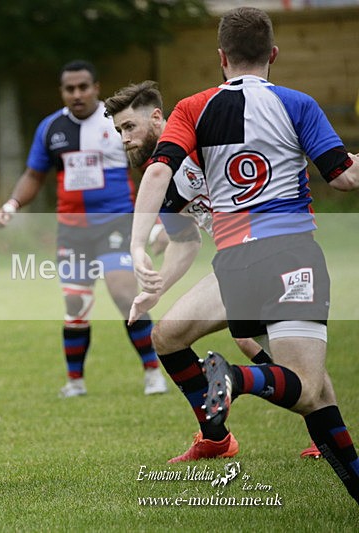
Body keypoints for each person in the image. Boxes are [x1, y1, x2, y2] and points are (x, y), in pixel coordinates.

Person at [130, 7, 359, 503]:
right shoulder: (297, 103)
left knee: (168, 337)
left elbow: (157, 172)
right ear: (273, 54)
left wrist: (136, 244)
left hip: (234, 263)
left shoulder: (192, 107)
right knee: (307, 388)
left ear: (222, 58)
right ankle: (233, 379)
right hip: (291, 255)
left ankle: (224, 427)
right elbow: (344, 177)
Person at [105, 80, 320, 462]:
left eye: (129, 127)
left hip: (273, 252)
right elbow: (186, 241)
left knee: (277, 350)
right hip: (235, 265)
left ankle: (324, 431)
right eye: (119, 130)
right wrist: (156, 288)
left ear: (157, 117)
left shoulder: (203, 142)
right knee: (168, 336)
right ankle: (216, 438)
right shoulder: (161, 174)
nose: (124, 139)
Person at [0, 60, 167, 398]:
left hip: (116, 224)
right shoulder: (51, 128)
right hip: (73, 232)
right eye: (69, 89)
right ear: (62, 92)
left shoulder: (117, 124)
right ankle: (75, 381)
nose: (77, 94)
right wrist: (12, 204)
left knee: (123, 293)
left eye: (83, 87)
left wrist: (157, 222)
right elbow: (34, 175)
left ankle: (153, 372)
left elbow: (149, 171)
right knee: (76, 305)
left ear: (96, 88)